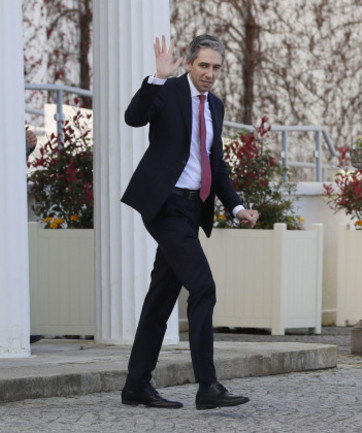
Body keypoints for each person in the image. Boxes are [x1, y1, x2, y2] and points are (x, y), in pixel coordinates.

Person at [120, 35, 259, 410]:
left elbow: (216, 164)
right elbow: (134, 118)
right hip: (164, 207)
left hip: (191, 211)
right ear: (189, 64)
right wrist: (156, 79)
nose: (210, 74)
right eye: (203, 66)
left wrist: (236, 207)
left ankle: (136, 384)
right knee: (203, 287)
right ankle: (207, 387)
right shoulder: (168, 91)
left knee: (161, 297)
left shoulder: (215, 105)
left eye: (216, 67)